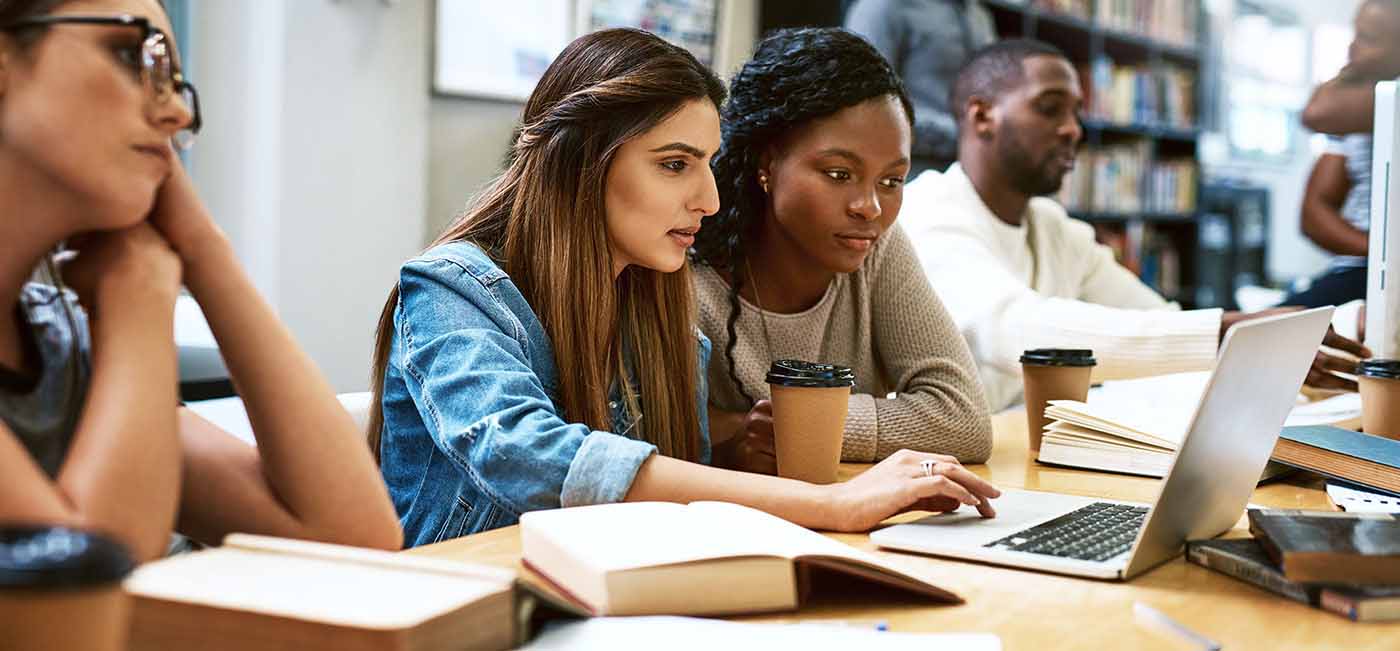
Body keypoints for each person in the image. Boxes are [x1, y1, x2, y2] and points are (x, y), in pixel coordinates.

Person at [369, 28, 1000, 548]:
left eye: (706, 162)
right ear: (579, 162)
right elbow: (531, 458)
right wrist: (828, 504)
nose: (709, 198)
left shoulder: (653, 298)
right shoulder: (451, 291)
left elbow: (678, 494)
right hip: (461, 610)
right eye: (675, 164)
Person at [0, 0, 402, 561]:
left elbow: (352, 535)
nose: (176, 116)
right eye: (131, 54)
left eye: (174, 83)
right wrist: (140, 296)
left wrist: (202, 248)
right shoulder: (117, 309)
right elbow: (81, 597)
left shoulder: (56, 347)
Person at [901, 39, 1369, 412]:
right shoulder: (928, 213)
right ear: (982, 116)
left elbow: (1160, 324)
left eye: (1076, 112)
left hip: (1011, 456)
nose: (1073, 130)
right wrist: (1230, 333)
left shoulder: (1053, 228)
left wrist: (1346, 322)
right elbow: (1016, 331)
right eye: (1049, 108)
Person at [691, 27, 992, 476]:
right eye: (838, 174)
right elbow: (650, 433)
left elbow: (964, 420)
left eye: (891, 181)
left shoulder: (877, 249)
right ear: (766, 163)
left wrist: (802, 426)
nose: (869, 207)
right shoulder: (684, 266)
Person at [1285, 0, 1400, 308]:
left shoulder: (1389, 97)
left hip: (1377, 274)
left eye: (1369, 39)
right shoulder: (1361, 102)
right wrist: (1382, 253)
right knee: (1265, 328)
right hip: (1366, 269)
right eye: (1355, 34)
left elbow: (1315, 111)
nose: (1353, 46)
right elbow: (1313, 214)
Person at [845, 0, 995, 175]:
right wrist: (963, 133)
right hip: (909, 165)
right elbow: (864, 99)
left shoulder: (979, 13)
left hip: (970, 166)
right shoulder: (883, 6)